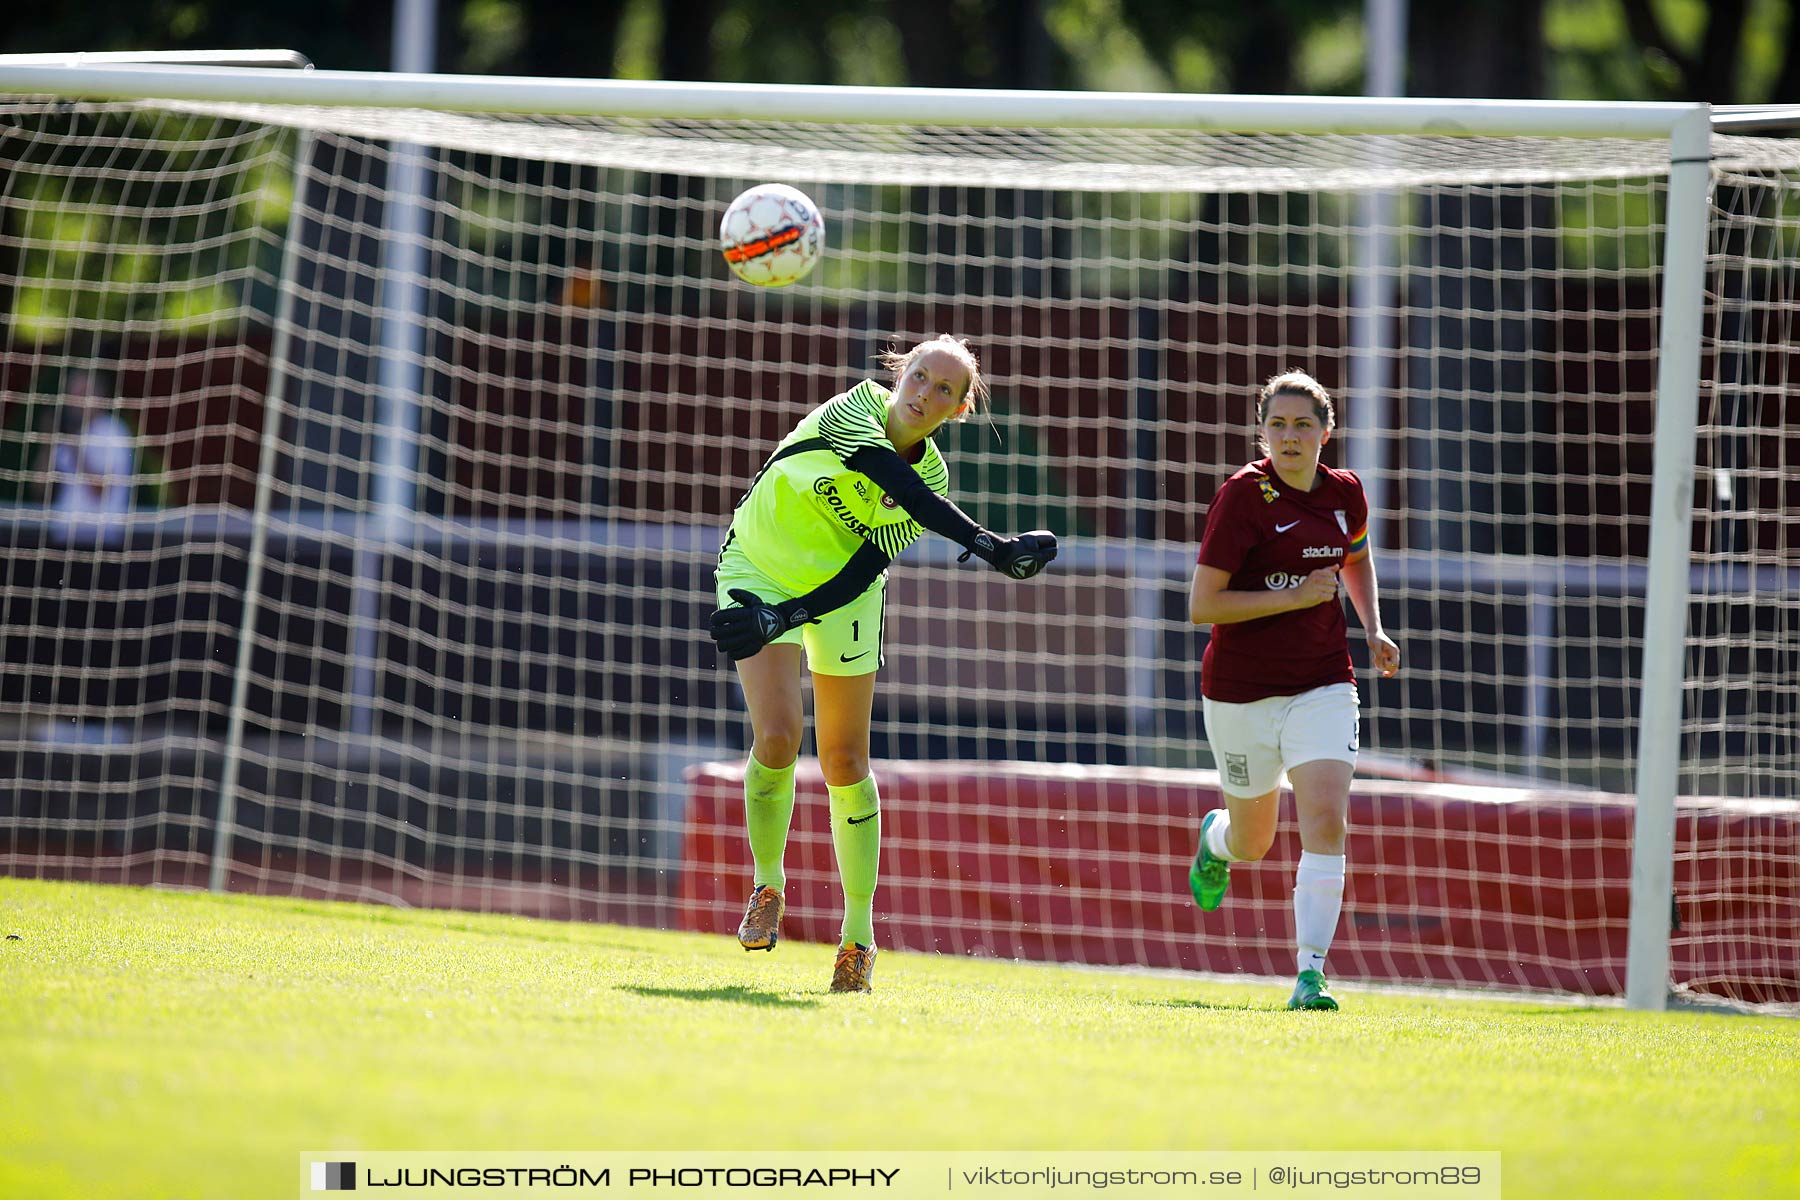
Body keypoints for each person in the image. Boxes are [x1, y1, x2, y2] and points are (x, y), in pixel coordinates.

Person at [708, 335, 1057, 994]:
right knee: (778, 739)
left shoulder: (935, 478)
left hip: (840, 593)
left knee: (844, 760)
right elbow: (895, 482)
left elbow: (866, 565)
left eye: (945, 390)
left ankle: (858, 937)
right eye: (921, 377)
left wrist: (784, 620)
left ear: (958, 410)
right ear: (900, 375)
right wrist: (990, 545)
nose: (926, 394)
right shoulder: (853, 413)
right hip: (757, 565)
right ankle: (768, 885)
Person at [1185, 369, 1401, 1011]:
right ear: (1262, 433)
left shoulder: (1346, 493)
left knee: (1326, 821)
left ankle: (1311, 975)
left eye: (1303, 424)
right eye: (1277, 424)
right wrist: (1291, 595)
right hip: (1240, 693)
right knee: (1254, 842)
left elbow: (1355, 560)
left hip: (1324, 682)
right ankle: (1216, 840)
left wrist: (1374, 629)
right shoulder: (1242, 497)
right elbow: (1203, 605)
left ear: (1326, 433)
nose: (1290, 436)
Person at [38, 369, 135, 546]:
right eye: (72, 394)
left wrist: (75, 448)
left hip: (100, 542)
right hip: (64, 538)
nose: (76, 401)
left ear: (99, 396)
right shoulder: (73, 433)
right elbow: (39, 489)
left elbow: (100, 490)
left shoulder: (113, 432)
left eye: (82, 393)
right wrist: (47, 442)